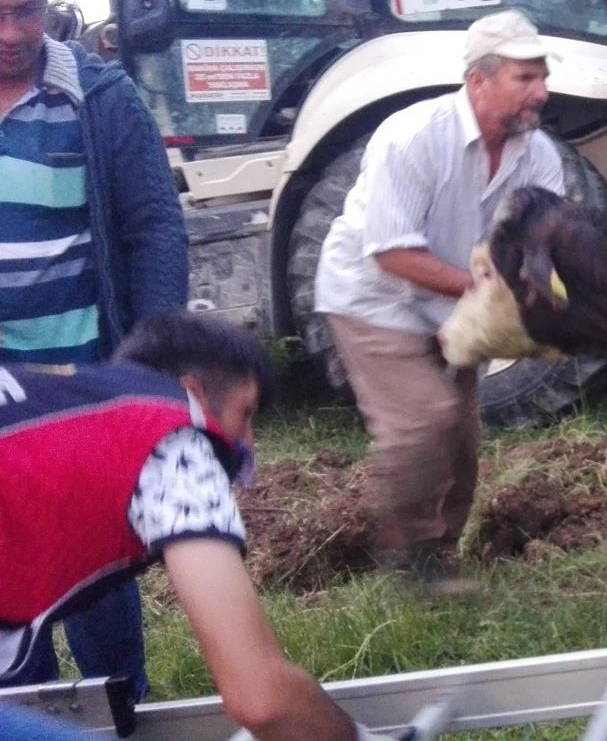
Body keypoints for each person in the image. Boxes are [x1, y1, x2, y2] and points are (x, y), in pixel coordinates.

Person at [0, 312, 383, 741]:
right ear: (193, 391)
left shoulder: (58, 409)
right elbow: (262, 699)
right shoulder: (174, 433)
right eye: (246, 412)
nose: (248, 444)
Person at [315, 9, 565, 595]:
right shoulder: (413, 137)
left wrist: (552, 296)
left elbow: (548, 242)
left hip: (451, 304)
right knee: (422, 421)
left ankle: (439, 559)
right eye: (524, 79)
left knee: (460, 439)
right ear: (479, 81)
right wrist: (490, 292)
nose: (542, 92)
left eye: (541, 77)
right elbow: (392, 254)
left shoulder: (538, 156)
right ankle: (409, 561)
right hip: (374, 297)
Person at [0, 0, 188, 701]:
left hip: (84, 389)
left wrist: (145, 364)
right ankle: (30, 711)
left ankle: (123, 710)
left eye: (29, 9)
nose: (13, 33)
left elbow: (154, 227)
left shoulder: (99, 98)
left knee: (100, 578)